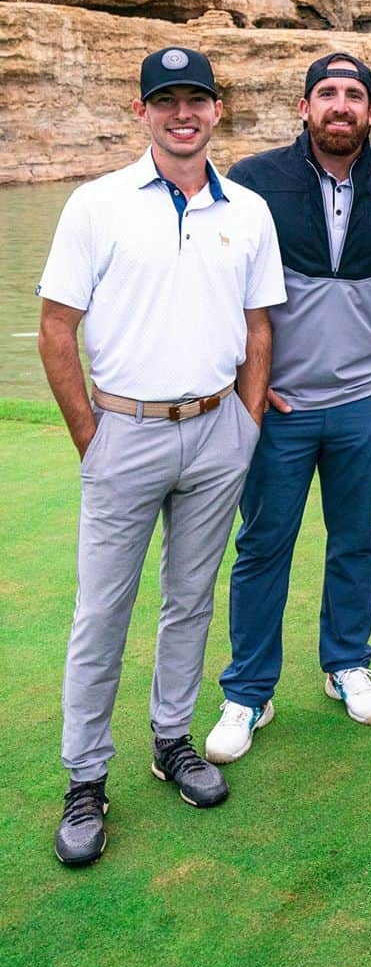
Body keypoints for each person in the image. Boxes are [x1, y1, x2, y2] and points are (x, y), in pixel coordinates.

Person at [38, 46, 285, 867]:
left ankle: (172, 737)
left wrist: (247, 424)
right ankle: (84, 776)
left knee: (191, 598)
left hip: (217, 430)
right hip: (124, 431)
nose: (184, 114)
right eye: (166, 100)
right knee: (102, 611)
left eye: (197, 100)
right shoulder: (96, 204)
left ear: (219, 109)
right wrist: (91, 434)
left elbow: (258, 326)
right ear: (141, 112)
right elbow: (56, 327)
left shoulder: (246, 209)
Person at [204, 52, 371, 764]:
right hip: (278, 408)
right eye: (327, 94)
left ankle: (347, 664)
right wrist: (248, 379)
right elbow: (214, 284)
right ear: (305, 107)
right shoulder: (251, 182)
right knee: (262, 545)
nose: (341, 105)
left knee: (355, 541)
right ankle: (249, 691)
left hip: (363, 405)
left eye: (354, 96)